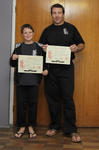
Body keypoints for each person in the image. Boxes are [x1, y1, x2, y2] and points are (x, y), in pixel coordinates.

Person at [39, 3, 85, 142]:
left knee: (67, 99)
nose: (57, 15)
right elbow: (40, 46)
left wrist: (76, 48)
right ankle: (54, 126)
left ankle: (71, 129)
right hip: (51, 69)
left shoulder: (71, 28)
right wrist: (43, 48)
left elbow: (82, 44)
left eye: (59, 12)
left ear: (63, 14)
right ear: (51, 14)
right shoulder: (47, 30)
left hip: (66, 69)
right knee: (52, 99)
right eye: (54, 13)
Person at [10, 24, 48, 138]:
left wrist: (45, 70)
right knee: (21, 105)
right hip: (21, 81)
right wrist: (13, 58)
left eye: (30, 32)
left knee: (33, 104)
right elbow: (12, 64)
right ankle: (22, 126)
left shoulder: (39, 47)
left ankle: (31, 126)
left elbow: (44, 62)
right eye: (25, 32)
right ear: (22, 34)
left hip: (34, 81)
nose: (28, 34)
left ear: (33, 33)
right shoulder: (18, 47)